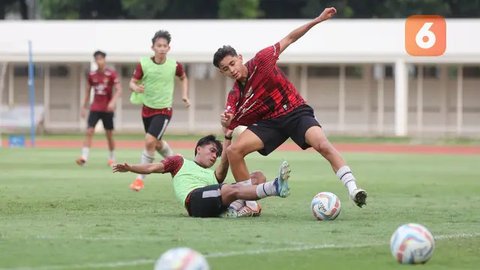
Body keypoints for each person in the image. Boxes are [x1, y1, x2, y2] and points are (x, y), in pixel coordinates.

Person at [213, 7, 367, 207]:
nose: (231, 70)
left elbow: (290, 38)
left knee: (321, 143)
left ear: (240, 57)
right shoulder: (235, 97)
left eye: (232, 63)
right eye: (225, 69)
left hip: (295, 111)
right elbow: (229, 127)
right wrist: (225, 127)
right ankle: (249, 205)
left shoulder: (262, 60)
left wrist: (318, 20)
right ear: (222, 73)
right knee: (234, 151)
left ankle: (353, 189)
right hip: (270, 123)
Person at [112, 130, 291, 218]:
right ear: (199, 148)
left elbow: (225, 161)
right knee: (229, 189)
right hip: (195, 202)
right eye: (212, 151)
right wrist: (131, 168)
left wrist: (228, 136)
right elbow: (152, 167)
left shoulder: (213, 176)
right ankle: (275, 188)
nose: (214, 156)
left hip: (215, 197)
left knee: (257, 176)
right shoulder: (179, 162)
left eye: (216, 154)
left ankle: (234, 210)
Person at [128, 30, 190, 192]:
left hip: (164, 110)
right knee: (157, 143)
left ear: (169, 48)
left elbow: (183, 78)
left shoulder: (174, 65)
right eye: (159, 45)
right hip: (147, 109)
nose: (162, 48)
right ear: (153, 47)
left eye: (165, 46)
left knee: (149, 141)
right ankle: (177, 161)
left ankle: (139, 179)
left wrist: (184, 95)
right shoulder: (143, 64)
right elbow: (132, 82)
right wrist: (136, 87)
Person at [76, 50, 122, 167]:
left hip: (107, 109)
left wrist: (112, 102)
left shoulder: (111, 74)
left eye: (101, 59)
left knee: (109, 134)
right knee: (89, 131)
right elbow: (87, 91)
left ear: (104, 60)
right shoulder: (92, 75)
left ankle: (112, 158)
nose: (99, 61)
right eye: (97, 59)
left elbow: (119, 89)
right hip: (95, 108)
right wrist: (83, 107)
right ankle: (84, 157)